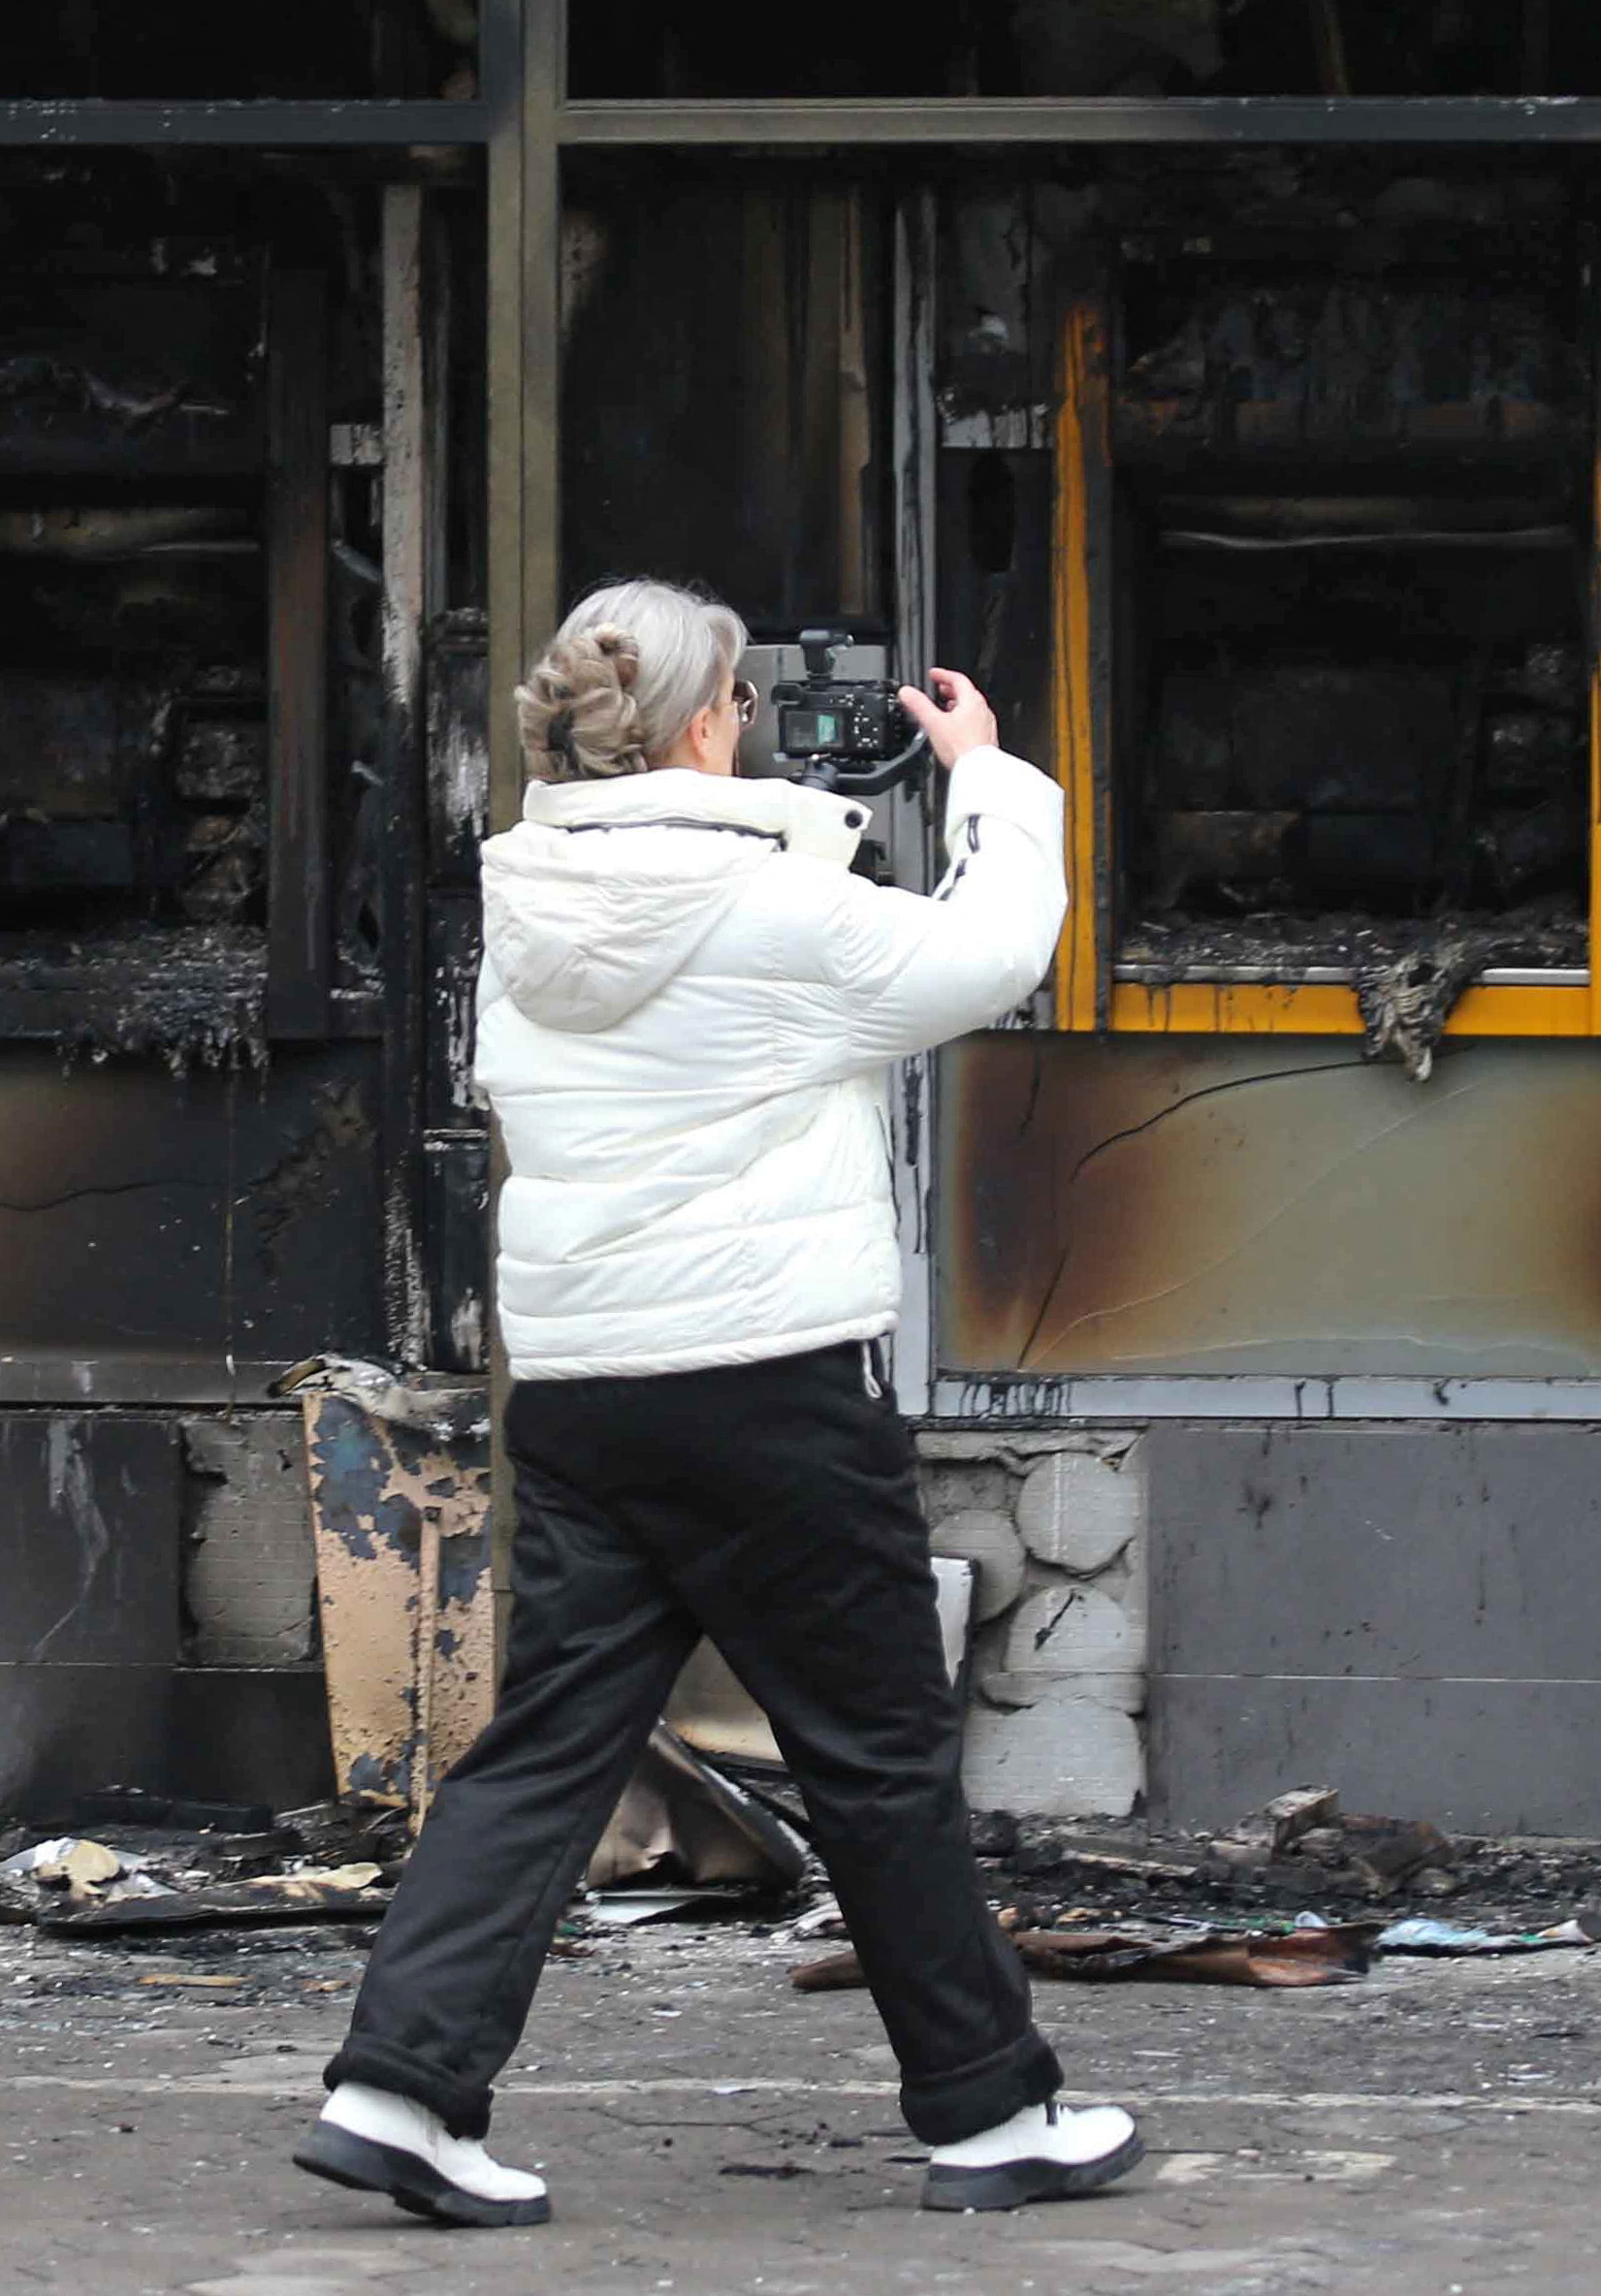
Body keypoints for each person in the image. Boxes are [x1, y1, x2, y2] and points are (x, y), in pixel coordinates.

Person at [298, 580, 1135, 2229]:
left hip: (595, 1389)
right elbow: (994, 954)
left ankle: (399, 2082)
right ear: (700, 726)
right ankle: (987, 2114)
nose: (751, 723)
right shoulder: (772, 913)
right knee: (880, 1751)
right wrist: (982, 777)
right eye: (741, 702)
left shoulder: (526, 913)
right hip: (768, 1383)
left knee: (550, 1742)